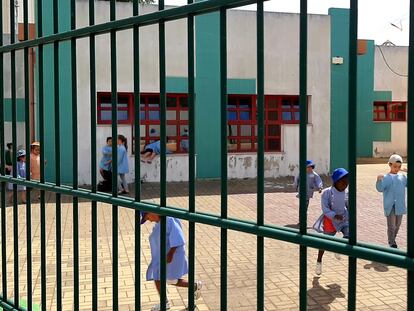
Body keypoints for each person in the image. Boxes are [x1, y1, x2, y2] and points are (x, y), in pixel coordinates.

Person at [141, 211, 202, 311]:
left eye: (147, 217)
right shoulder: (158, 223)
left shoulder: (169, 220)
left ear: (152, 212)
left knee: (171, 280)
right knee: (157, 277)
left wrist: (170, 254)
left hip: (171, 256)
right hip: (160, 257)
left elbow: (178, 237)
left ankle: (194, 285)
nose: (149, 220)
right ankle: (164, 303)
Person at [313, 168, 349, 275]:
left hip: (343, 219)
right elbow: (325, 209)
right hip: (331, 220)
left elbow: (348, 205)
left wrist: (349, 215)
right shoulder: (327, 193)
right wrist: (333, 215)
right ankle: (319, 261)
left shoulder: (347, 192)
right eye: (342, 181)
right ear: (335, 182)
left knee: (349, 234)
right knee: (325, 242)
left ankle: (339, 248)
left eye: (346, 181)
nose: (345, 184)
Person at [376, 154, 407, 248]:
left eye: (399, 167)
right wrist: (378, 180)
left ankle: (393, 239)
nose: (397, 169)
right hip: (389, 206)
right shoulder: (386, 177)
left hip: (400, 205)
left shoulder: (403, 177)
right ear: (390, 165)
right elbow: (380, 189)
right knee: (392, 226)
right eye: (395, 166)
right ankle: (392, 242)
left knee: (397, 225)